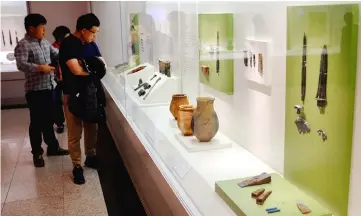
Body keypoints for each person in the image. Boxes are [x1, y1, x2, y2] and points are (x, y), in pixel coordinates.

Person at [14, 13, 69, 168]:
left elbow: (57, 54)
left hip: (50, 87)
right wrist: (40, 68)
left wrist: (70, 53)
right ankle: (37, 153)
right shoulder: (23, 44)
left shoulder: (44, 43)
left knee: (49, 119)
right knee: (37, 122)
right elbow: (21, 64)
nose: (44, 31)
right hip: (35, 91)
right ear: (31, 29)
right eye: (42, 28)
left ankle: (53, 147)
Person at [59, 13, 106, 184]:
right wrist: (92, 68)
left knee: (91, 127)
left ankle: (91, 157)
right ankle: (77, 166)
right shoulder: (69, 44)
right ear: (83, 30)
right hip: (73, 94)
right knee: (75, 132)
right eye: (93, 32)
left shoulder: (91, 43)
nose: (95, 36)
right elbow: (76, 70)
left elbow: (102, 65)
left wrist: (88, 65)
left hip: (90, 92)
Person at [51, 26, 71, 134]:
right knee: (56, 102)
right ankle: (60, 123)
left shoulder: (70, 47)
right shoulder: (52, 49)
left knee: (70, 99)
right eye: (67, 36)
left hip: (68, 78)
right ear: (60, 37)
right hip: (56, 79)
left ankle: (74, 120)